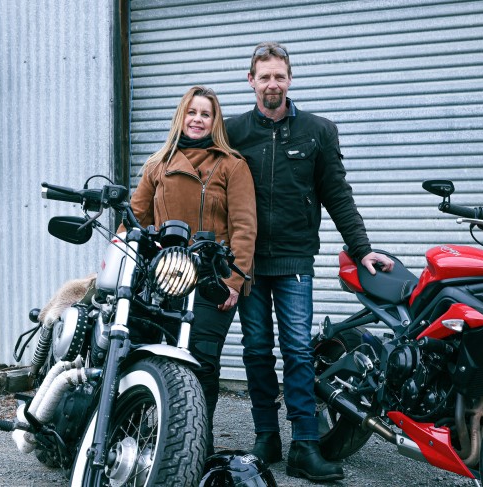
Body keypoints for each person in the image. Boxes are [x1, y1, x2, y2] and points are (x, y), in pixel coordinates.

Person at [226, 42, 394, 482]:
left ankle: (304, 444)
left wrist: (361, 248)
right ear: (251, 81)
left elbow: (337, 194)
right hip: (248, 264)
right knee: (256, 350)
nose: (272, 84)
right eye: (264, 77)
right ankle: (267, 437)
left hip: (294, 260)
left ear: (290, 78)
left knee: (298, 350)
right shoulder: (233, 132)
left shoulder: (318, 131)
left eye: (279, 76)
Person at [123, 85, 257, 456]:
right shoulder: (158, 164)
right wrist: (120, 259)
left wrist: (234, 280)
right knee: (145, 354)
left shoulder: (232, 165)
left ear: (215, 122)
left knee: (201, 361)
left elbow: (245, 227)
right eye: (192, 112)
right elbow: (133, 220)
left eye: (206, 114)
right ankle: (137, 433)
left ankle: (195, 442)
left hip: (213, 278)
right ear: (181, 116)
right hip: (164, 277)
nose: (198, 120)